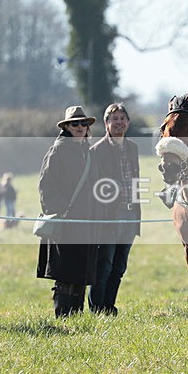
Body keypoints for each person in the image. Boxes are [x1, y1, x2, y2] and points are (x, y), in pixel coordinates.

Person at [37, 106, 100, 317]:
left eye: (84, 124)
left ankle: (77, 318)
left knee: (81, 272)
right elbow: (46, 187)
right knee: (65, 273)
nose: (80, 127)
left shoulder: (87, 151)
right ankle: (63, 317)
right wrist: (61, 212)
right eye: (75, 124)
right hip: (66, 222)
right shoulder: (58, 150)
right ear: (66, 127)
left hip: (86, 223)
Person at [88, 103, 141, 316]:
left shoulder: (133, 148)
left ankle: (109, 307)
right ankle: (96, 308)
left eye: (122, 118)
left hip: (130, 215)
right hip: (109, 216)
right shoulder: (97, 150)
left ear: (127, 122)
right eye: (114, 118)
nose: (119, 122)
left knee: (119, 266)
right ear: (106, 123)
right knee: (104, 266)